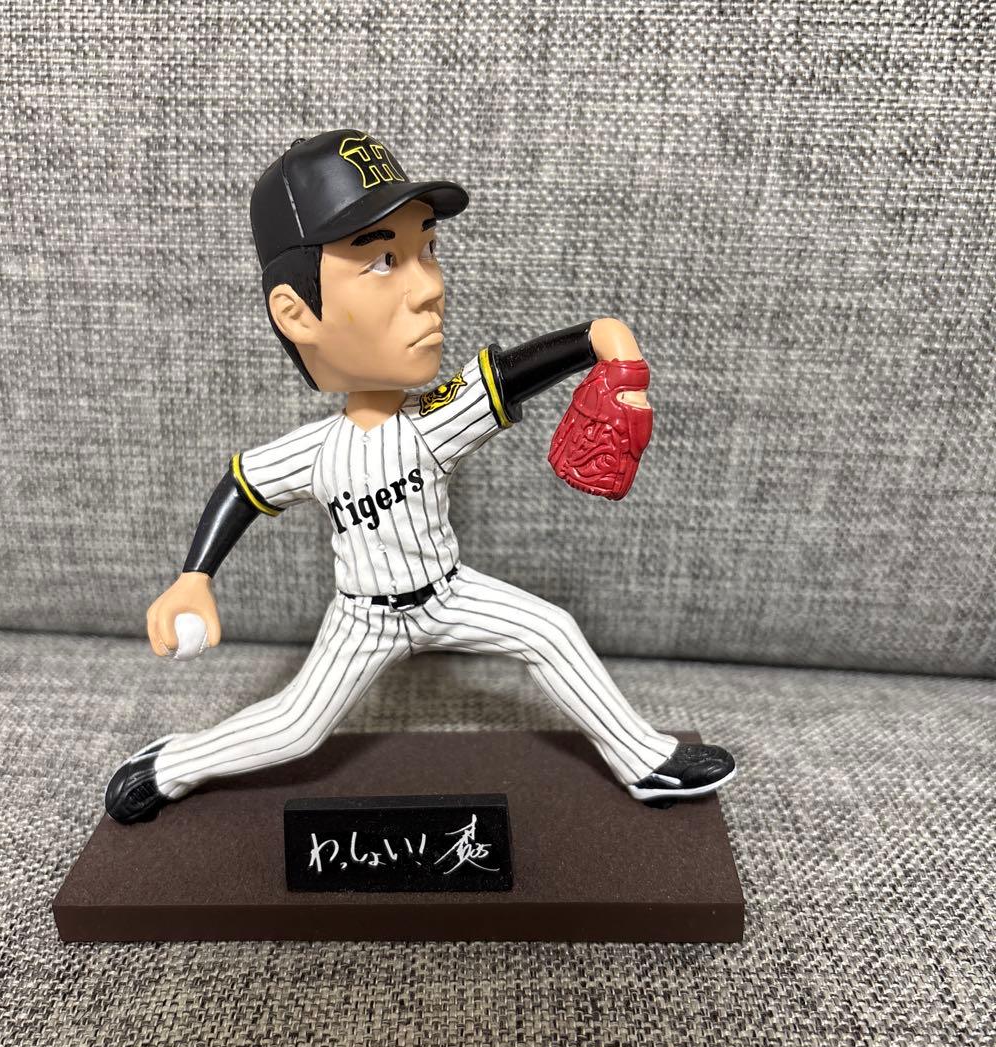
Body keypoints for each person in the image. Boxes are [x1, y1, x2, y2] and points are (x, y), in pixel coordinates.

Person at [105, 129, 736, 824]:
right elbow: (242, 487)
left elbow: (509, 374)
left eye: (427, 249)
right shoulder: (314, 452)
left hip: (450, 594)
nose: (429, 286)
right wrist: (194, 577)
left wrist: (595, 338)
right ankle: (170, 765)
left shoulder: (435, 420)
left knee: (549, 629)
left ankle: (645, 761)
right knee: (296, 729)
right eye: (382, 259)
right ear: (295, 312)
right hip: (363, 619)